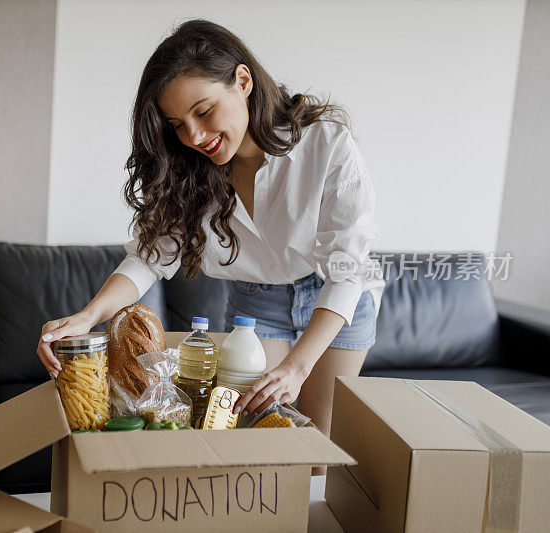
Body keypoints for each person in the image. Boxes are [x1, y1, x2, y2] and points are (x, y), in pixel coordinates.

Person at [36, 19, 384, 461]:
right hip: (257, 303)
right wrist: (87, 317)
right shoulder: (188, 172)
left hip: (337, 300)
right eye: (177, 124)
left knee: (316, 449)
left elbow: (347, 267)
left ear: (242, 81)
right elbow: (146, 260)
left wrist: (297, 367)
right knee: (259, 436)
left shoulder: (326, 144)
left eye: (203, 111)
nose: (194, 137)